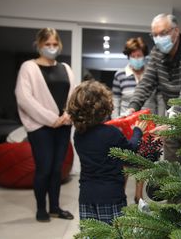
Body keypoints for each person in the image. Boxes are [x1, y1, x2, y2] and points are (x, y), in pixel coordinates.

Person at [129, 13, 181, 162]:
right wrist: (132, 108)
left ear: (176, 30)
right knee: (172, 173)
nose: (158, 39)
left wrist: (171, 122)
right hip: (172, 120)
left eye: (163, 33)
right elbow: (146, 83)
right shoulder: (156, 53)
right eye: (154, 35)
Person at [14, 27, 75, 222]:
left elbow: (74, 95)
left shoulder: (65, 68)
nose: (51, 48)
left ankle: (55, 207)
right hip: (41, 128)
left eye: (55, 44)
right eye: (47, 44)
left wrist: (67, 115)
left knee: (57, 168)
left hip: (64, 125)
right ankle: (41, 209)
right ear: (39, 45)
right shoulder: (28, 67)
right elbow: (24, 98)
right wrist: (51, 119)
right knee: (44, 168)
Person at [66, 80, 146, 225]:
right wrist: (138, 131)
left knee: (90, 234)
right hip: (111, 196)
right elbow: (131, 152)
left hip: (86, 196)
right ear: (103, 107)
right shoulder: (112, 133)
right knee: (114, 234)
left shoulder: (78, 134)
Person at [112, 37, 165, 204]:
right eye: (133, 55)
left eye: (139, 55)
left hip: (149, 127)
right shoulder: (120, 75)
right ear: (128, 56)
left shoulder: (152, 75)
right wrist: (116, 125)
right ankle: (119, 197)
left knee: (144, 162)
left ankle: (139, 197)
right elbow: (116, 103)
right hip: (127, 127)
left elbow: (159, 101)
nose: (137, 58)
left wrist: (161, 123)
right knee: (125, 163)